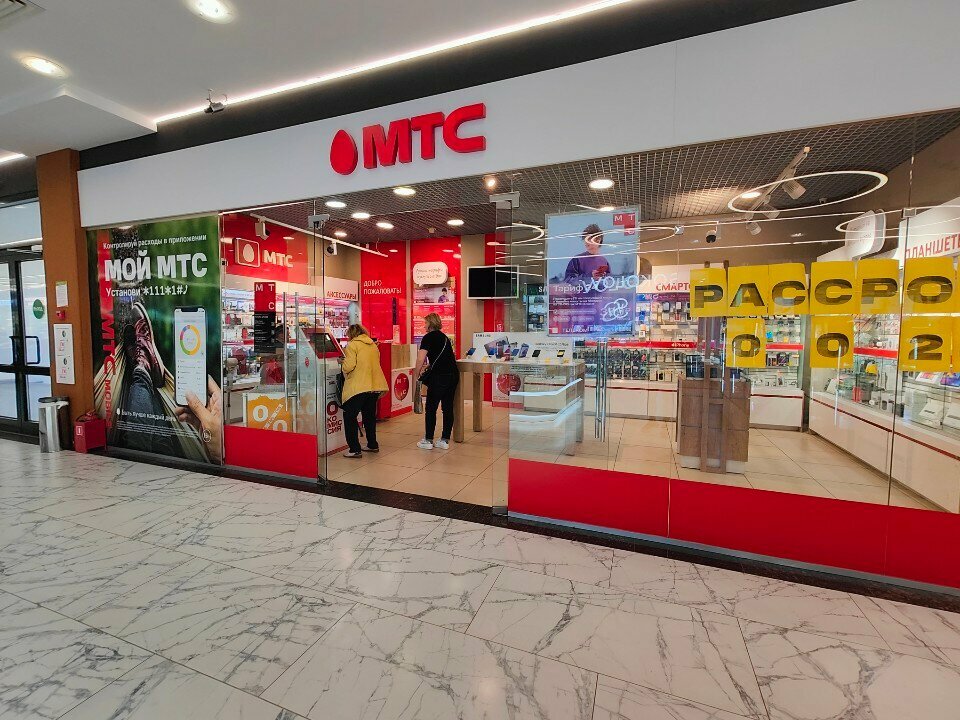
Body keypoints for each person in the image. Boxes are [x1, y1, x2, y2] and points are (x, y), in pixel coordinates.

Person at [339, 323, 388, 458]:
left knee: (349, 416)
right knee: (369, 417)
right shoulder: (373, 345)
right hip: (374, 386)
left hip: (359, 386)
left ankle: (354, 449)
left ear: (351, 334)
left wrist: (342, 362)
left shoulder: (352, 345)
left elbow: (349, 366)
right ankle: (372, 444)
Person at [414, 312, 458, 450]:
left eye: (425, 323)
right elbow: (444, 357)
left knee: (431, 408)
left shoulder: (428, 337)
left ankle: (428, 440)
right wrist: (430, 365)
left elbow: (420, 359)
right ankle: (444, 440)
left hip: (439, 377)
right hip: (453, 375)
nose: (424, 325)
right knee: (447, 408)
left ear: (430, 324)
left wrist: (416, 374)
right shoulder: (444, 337)